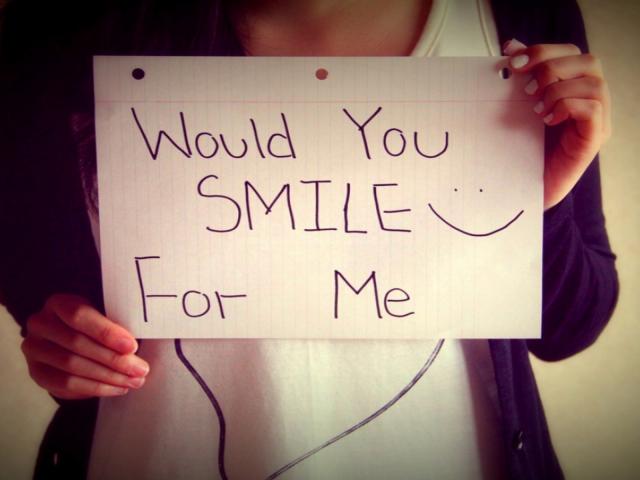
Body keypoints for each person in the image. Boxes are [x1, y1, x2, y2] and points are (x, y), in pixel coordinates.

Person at [0, 0, 618, 478]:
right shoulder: (60, 27)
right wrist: (62, 346)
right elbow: (49, 305)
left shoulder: (522, 16)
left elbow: (568, 328)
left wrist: (532, 207)